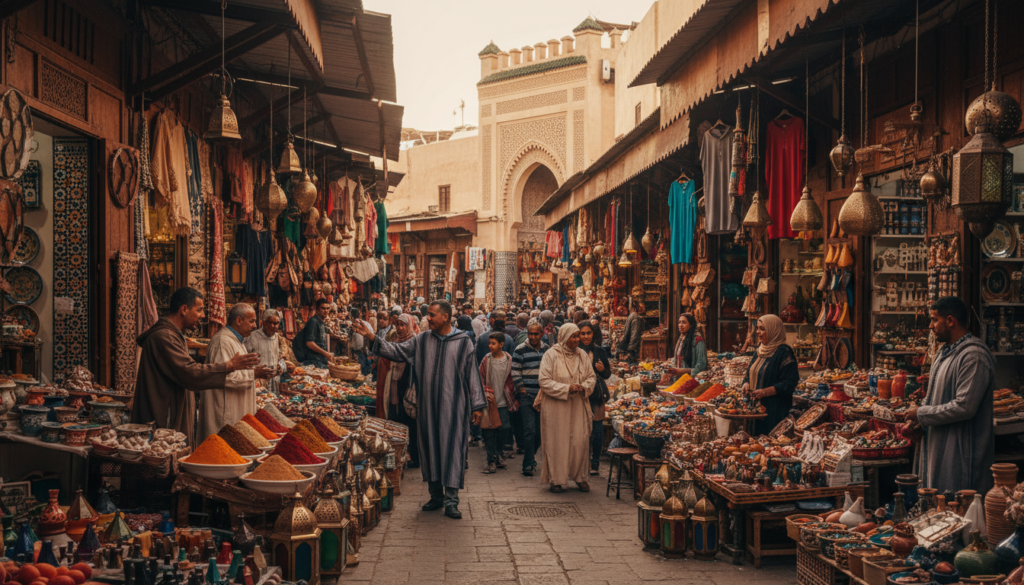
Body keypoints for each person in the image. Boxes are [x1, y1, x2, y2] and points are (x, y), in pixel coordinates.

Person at [352, 301, 485, 520]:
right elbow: (396, 351)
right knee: (430, 450)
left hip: (454, 409)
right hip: (427, 409)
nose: (428, 318)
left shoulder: (463, 342)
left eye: (432, 315)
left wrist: (477, 405)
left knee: (452, 451)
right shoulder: (422, 340)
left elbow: (472, 374)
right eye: (428, 315)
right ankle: (436, 496)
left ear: (445, 317)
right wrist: (372, 338)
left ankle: (451, 501)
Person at [132, 287, 260, 446]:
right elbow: (190, 372)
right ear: (184, 309)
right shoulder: (164, 337)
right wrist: (229, 365)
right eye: (199, 310)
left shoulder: (173, 335)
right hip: (163, 417)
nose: (203, 315)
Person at [905, 297, 995, 494]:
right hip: (938, 448)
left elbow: (965, 407)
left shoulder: (973, 356)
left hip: (961, 456)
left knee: (959, 505)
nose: (931, 326)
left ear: (951, 320)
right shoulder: (943, 353)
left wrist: (921, 413)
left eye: (934, 320)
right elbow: (933, 398)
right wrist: (919, 424)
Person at [198, 303, 275, 441]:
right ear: (239, 320)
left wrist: (254, 372)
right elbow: (224, 377)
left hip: (235, 412)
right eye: (251, 321)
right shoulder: (222, 341)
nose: (255, 326)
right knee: (223, 448)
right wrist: (254, 374)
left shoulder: (236, 341)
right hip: (225, 415)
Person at [537, 323, 596, 493]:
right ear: (564, 337)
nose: (577, 340)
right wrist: (566, 388)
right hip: (556, 407)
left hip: (578, 405)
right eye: (574, 336)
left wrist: (583, 387)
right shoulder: (551, 355)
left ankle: (580, 477)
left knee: (580, 441)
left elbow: (591, 377)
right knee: (557, 442)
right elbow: (544, 381)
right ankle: (556, 479)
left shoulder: (582, 355)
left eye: (578, 336)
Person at [375, 313, 421, 468]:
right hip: (396, 391)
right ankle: (399, 456)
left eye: (403, 325)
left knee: (412, 426)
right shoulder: (396, 342)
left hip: (409, 392)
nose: (400, 328)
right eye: (398, 325)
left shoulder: (415, 343)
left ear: (410, 326)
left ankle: (415, 457)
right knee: (397, 424)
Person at [742, 314, 799, 435]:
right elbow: (748, 373)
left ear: (774, 331)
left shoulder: (784, 352)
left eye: (762, 329)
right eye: (758, 328)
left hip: (774, 411)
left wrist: (764, 392)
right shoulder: (760, 350)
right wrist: (746, 384)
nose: (757, 332)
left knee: (768, 443)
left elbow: (789, 383)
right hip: (754, 411)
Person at [511, 319, 548, 476]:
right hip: (526, 396)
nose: (533, 337)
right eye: (530, 334)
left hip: (543, 396)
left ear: (541, 334)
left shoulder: (547, 350)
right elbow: (515, 371)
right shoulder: (520, 350)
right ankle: (527, 463)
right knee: (529, 430)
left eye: (536, 334)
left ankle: (531, 456)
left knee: (539, 432)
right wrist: (522, 390)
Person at [479, 332, 517, 474]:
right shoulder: (486, 360)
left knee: (504, 429)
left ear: (501, 344)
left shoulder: (508, 360)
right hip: (489, 402)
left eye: (493, 343)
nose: (490, 346)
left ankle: (498, 454)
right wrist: (484, 392)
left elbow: (512, 379)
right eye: (489, 343)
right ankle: (491, 460)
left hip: (504, 401)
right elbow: (480, 377)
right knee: (489, 431)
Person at [578, 322, 610, 475]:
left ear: (593, 334)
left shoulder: (599, 351)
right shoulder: (575, 352)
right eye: (582, 333)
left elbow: (607, 374)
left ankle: (595, 463)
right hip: (580, 396)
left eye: (588, 333)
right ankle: (581, 462)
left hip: (596, 396)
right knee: (581, 431)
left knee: (597, 430)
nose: (586, 336)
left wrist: (602, 370)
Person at [244, 309, 284, 394]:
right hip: (258, 382)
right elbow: (244, 359)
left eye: (277, 323)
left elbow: (279, 357)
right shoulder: (252, 337)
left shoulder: (277, 337)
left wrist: (280, 366)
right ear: (264, 323)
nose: (275, 327)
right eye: (273, 323)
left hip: (274, 381)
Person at [294, 299, 334, 368]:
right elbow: (309, 343)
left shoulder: (321, 322)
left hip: (320, 361)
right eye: (323, 308)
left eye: (328, 308)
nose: (326, 311)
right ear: (317, 309)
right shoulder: (313, 322)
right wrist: (326, 354)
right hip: (312, 362)